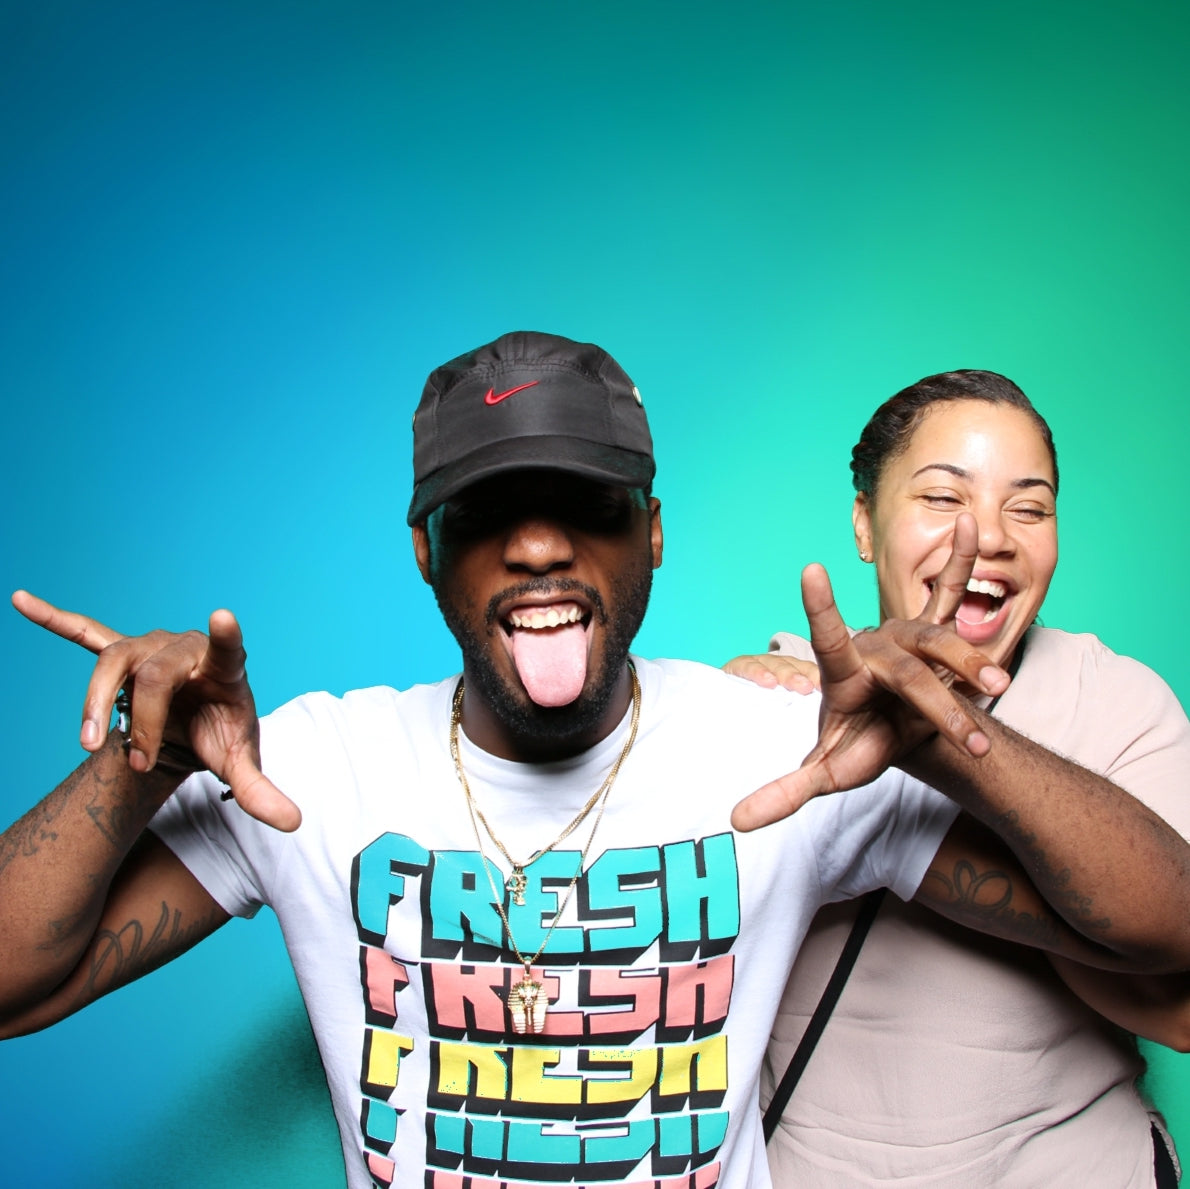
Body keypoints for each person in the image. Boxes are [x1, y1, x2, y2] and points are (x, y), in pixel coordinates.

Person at [3, 336, 1189, 1189]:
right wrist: (138, 765)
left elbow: (1162, 932)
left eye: (585, 498)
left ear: (653, 532)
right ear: (425, 547)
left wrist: (952, 750)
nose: (535, 540)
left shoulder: (782, 753)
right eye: (487, 507)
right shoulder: (307, 769)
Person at [729, 369, 1190, 1187]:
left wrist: (936, 743)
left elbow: (1179, 998)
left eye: (1030, 506)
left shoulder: (1115, 703)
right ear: (866, 523)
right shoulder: (769, 709)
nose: (989, 536)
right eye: (944, 498)